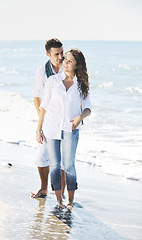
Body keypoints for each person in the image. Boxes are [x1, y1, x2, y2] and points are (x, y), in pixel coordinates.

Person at [36, 48, 92, 210]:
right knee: (54, 165)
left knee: (68, 166)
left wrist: (80, 117)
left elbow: (88, 108)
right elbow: (44, 106)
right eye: (65, 59)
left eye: (69, 61)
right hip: (51, 128)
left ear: (77, 65)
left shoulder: (82, 85)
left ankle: (71, 200)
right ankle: (59, 201)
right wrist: (38, 129)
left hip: (71, 129)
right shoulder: (53, 81)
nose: (65, 62)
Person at [31, 38, 66, 198]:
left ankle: (63, 194)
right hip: (48, 121)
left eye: (62, 53)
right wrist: (41, 120)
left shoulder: (68, 67)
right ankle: (44, 188)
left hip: (66, 120)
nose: (60, 57)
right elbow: (37, 96)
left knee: (65, 159)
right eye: (56, 54)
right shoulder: (42, 71)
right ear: (48, 54)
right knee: (42, 156)